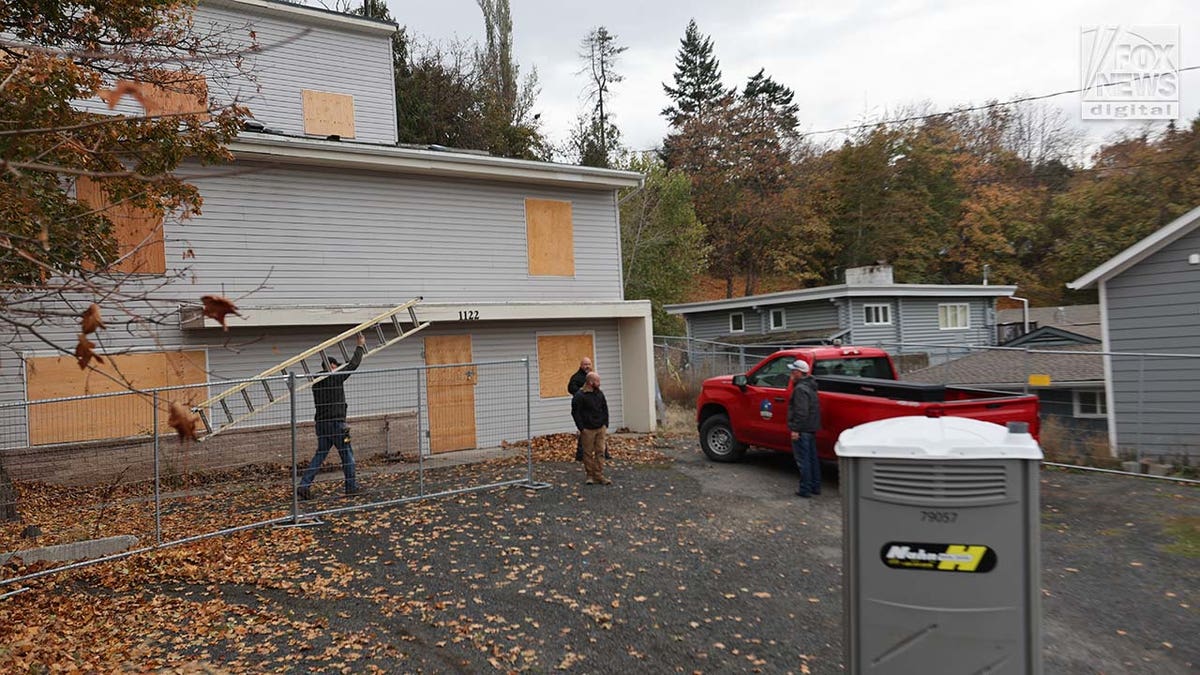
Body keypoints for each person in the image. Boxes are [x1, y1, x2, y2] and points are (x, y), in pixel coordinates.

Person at [297, 333, 365, 500]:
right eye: (337, 366)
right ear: (332, 366)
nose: (339, 368)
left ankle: (304, 485)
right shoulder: (334, 377)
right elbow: (354, 364)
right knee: (347, 455)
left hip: (321, 425)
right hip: (336, 425)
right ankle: (351, 487)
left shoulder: (316, 381)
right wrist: (360, 345)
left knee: (320, 455)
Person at [787, 359, 821, 498]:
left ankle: (805, 488)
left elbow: (801, 412)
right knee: (812, 458)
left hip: (803, 429)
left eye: (793, 371)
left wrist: (795, 429)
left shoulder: (800, 389)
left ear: (799, 372)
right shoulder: (811, 386)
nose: (791, 373)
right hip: (811, 427)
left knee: (803, 460)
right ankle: (815, 486)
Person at [571, 371, 611, 485]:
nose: (599, 383)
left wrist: (605, 424)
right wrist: (581, 428)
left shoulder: (600, 393)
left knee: (601, 452)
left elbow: (605, 408)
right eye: (597, 381)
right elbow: (575, 412)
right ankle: (590, 475)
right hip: (587, 429)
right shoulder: (580, 395)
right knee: (587, 453)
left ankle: (599, 475)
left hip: (600, 427)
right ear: (590, 382)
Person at [567, 357, 596, 462]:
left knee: (598, 430)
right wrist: (581, 393)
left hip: (593, 408)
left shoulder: (592, 377)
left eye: (589, 364)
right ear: (581, 365)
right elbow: (571, 389)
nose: (587, 366)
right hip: (582, 409)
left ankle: (603, 453)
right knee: (584, 431)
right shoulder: (576, 378)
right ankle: (580, 455)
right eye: (585, 364)